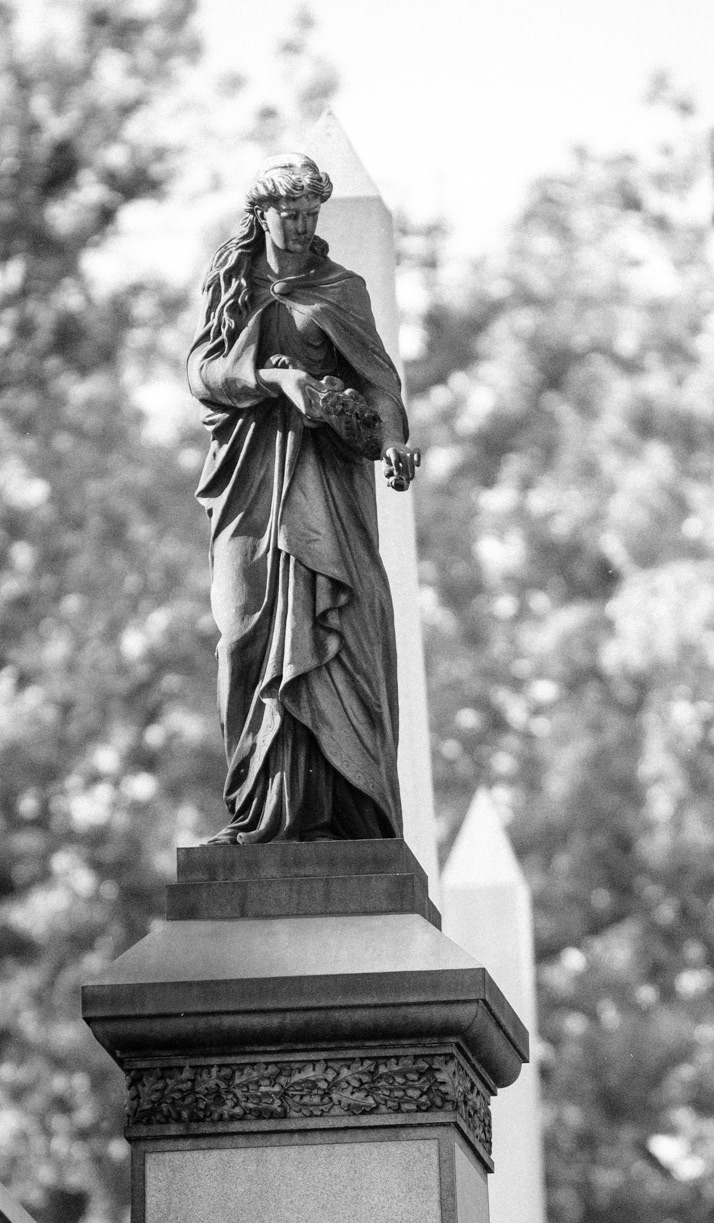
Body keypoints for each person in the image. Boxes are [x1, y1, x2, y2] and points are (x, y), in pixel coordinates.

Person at [187, 153, 420, 844]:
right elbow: (202, 372)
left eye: (311, 214)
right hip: (251, 482)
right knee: (244, 633)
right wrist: (274, 380)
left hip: (322, 482)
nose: (302, 226)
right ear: (261, 215)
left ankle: (340, 814)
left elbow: (379, 383)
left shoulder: (341, 289)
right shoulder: (232, 283)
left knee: (335, 631)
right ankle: (258, 808)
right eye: (289, 214)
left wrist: (392, 439)